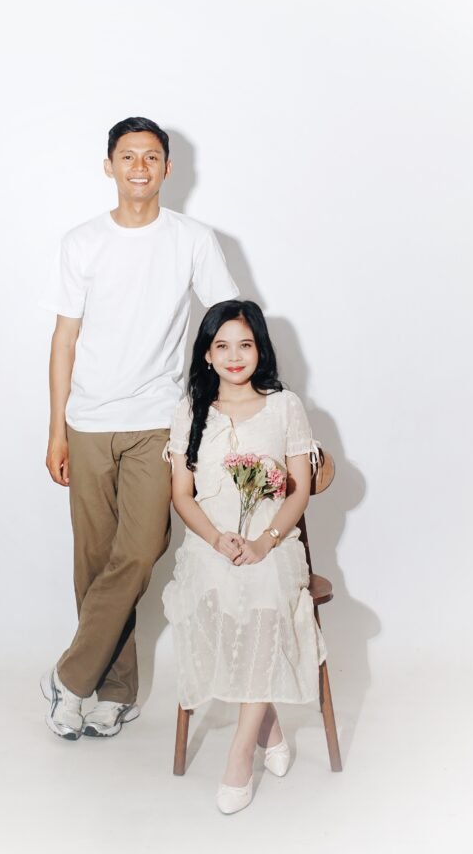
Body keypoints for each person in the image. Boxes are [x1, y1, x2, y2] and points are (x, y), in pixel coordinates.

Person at [40, 116, 238, 741]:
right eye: (128, 156)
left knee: (141, 548)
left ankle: (69, 677)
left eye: (151, 156)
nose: (140, 167)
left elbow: (228, 318)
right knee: (94, 560)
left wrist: (235, 397)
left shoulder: (192, 240)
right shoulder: (81, 242)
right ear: (109, 166)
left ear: (167, 169)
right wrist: (56, 429)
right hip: (88, 422)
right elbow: (64, 340)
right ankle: (113, 691)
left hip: (158, 421)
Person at [162, 299, 326, 814]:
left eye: (245, 345)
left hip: (271, 539)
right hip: (211, 539)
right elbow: (182, 495)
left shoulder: (285, 406)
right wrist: (217, 539)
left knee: (263, 591)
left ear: (261, 350)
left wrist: (264, 541)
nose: (235, 357)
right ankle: (268, 725)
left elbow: (299, 490)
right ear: (207, 355)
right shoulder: (191, 411)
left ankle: (239, 752)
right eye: (223, 346)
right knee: (214, 591)